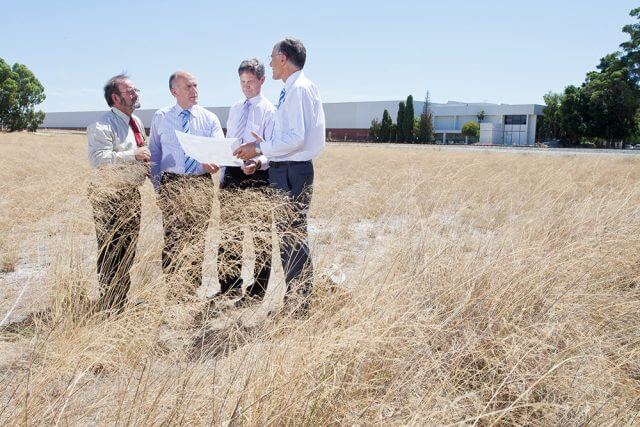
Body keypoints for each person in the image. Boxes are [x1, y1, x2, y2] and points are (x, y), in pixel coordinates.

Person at [234, 38, 326, 315]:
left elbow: (295, 139)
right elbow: (288, 139)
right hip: (286, 169)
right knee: (288, 238)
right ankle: (297, 300)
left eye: (272, 57)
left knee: (291, 237)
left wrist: (259, 146)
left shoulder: (298, 89)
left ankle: (298, 305)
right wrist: (265, 152)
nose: (270, 61)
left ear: (283, 58)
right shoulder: (295, 88)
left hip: (291, 172)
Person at [149, 71, 222, 298]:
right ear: (175, 91)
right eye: (188, 87)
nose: (194, 91)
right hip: (172, 183)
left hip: (200, 183)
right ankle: (172, 290)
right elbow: (154, 153)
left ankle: (191, 289)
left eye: (195, 86)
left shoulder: (209, 118)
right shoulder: (161, 117)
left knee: (197, 237)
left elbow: (218, 148)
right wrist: (158, 186)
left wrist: (215, 162)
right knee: (172, 237)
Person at [87, 74, 150, 313]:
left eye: (136, 90)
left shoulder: (136, 122)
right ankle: (110, 304)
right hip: (109, 195)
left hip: (132, 195)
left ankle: (122, 297)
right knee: (110, 249)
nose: (136, 95)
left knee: (129, 248)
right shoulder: (101, 125)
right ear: (115, 97)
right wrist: (133, 155)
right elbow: (97, 160)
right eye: (130, 91)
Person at [216, 58, 276, 308]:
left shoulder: (271, 111)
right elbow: (230, 140)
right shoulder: (235, 108)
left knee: (260, 233)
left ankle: (258, 290)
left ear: (262, 80)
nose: (246, 86)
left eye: (251, 81)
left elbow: (273, 149)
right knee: (229, 232)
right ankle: (229, 284)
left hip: (257, 176)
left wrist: (259, 162)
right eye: (242, 82)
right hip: (231, 173)